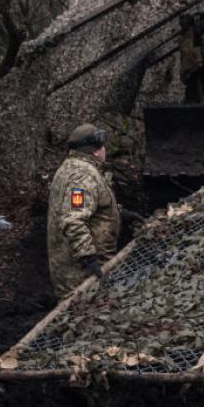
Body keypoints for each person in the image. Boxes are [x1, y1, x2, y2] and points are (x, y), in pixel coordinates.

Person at [45, 123, 142, 300]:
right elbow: (73, 219)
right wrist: (89, 258)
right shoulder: (83, 175)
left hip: (75, 268)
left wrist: (119, 214)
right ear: (96, 150)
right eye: (103, 146)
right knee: (83, 317)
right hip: (81, 273)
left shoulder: (69, 167)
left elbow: (86, 206)